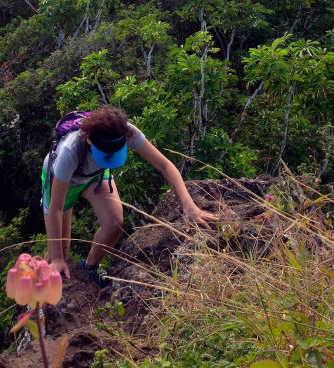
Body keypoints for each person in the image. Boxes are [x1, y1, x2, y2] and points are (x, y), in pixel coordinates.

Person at [42, 105, 219, 287]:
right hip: (65, 181)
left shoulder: (126, 132)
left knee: (114, 223)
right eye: (104, 154)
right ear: (89, 140)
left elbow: (164, 165)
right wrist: (57, 259)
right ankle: (37, 291)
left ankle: (91, 267)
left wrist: (189, 206)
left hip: (95, 175)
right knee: (61, 250)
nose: (110, 156)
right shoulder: (70, 152)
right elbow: (55, 209)